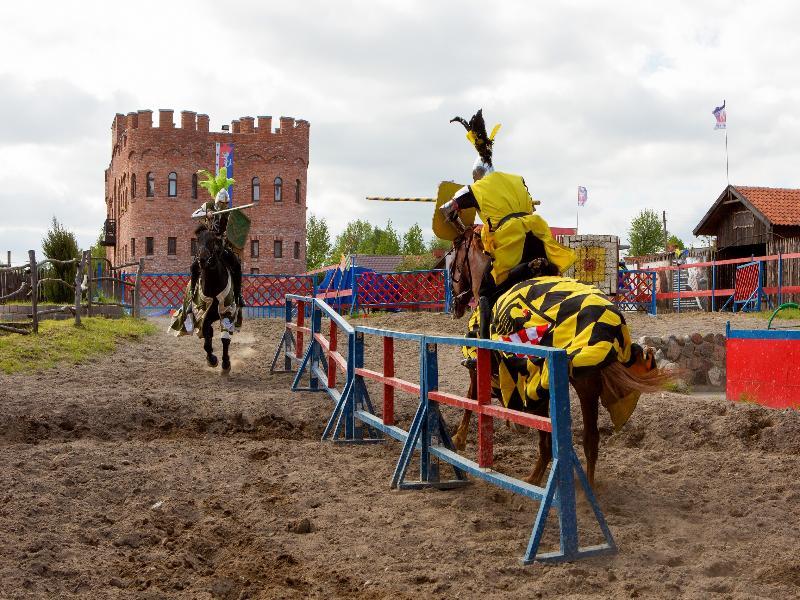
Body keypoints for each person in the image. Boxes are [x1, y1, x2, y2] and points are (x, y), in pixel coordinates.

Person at [440, 109, 575, 302]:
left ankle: (485, 330)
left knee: (485, 291)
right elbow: (530, 208)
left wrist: (462, 229)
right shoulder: (517, 180)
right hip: (537, 236)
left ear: (477, 175)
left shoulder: (474, 189)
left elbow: (446, 210)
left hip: (510, 243)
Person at [190, 188, 244, 307]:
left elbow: (232, 229)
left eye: (225, 203)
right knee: (194, 266)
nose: (223, 205)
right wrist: (206, 214)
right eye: (221, 203)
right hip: (207, 243)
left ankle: (238, 295)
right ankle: (192, 295)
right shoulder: (208, 205)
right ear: (217, 201)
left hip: (219, 244)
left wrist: (227, 234)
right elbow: (193, 215)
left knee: (236, 264)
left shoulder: (228, 212)